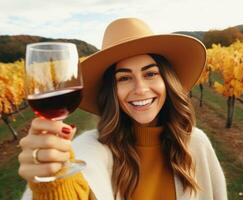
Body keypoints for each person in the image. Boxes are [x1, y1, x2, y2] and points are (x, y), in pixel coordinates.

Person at [19, 18, 227, 200]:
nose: (140, 89)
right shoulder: (89, 148)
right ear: (111, 90)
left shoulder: (196, 144)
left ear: (167, 81)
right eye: (125, 78)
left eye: (150, 74)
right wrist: (52, 184)